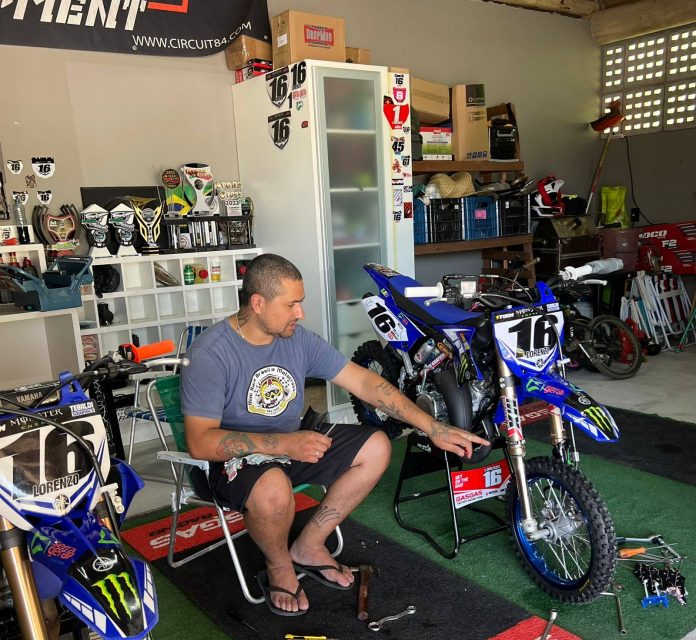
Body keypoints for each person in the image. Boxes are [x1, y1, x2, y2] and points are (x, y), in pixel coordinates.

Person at [181, 254, 488, 616]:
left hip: (292, 443)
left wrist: (432, 426)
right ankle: (279, 565)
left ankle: (309, 545)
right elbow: (200, 442)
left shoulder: (297, 339)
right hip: (233, 462)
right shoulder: (211, 353)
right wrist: (285, 445)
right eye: (291, 304)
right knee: (273, 488)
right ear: (258, 303)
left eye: (301, 302)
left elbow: (364, 382)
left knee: (376, 446)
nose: (300, 313)